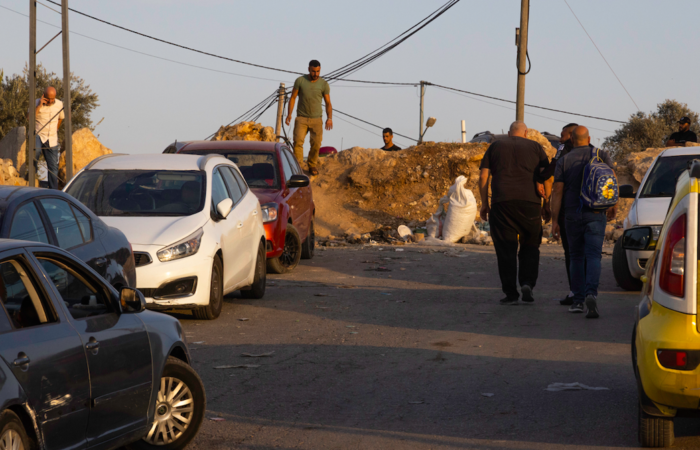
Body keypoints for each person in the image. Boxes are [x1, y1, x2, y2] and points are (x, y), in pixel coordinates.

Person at [479, 121, 550, 305]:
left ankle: (511, 294)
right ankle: (527, 283)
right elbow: (546, 176)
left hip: (502, 202)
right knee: (530, 245)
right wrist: (547, 203)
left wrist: (484, 204)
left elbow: (483, 176)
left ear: (510, 134)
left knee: (505, 250)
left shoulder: (495, 146)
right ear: (525, 133)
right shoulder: (536, 147)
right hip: (530, 203)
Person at [551, 126, 616, 318]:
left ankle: (578, 301)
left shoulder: (564, 160)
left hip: (572, 214)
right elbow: (613, 180)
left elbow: (557, 191)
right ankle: (591, 295)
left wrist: (554, 220)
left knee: (576, 256)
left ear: (571, 139)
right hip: (596, 212)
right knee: (594, 256)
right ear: (588, 138)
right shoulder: (601, 154)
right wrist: (613, 205)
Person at [540, 123, 579, 305]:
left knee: (571, 252)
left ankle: (574, 292)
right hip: (589, 209)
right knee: (589, 253)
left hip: (568, 207)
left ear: (571, 136)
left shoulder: (564, 149)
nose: (560, 139)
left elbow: (553, 173)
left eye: (562, 136)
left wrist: (537, 178)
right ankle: (589, 293)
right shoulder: (595, 153)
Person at [285, 60, 333, 176]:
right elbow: (293, 98)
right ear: (308, 69)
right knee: (298, 143)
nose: (316, 74)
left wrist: (329, 118)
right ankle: (298, 167)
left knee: (316, 143)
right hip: (301, 118)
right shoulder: (300, 81)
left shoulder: (323, 84)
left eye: (318, 71)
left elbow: (328, 102)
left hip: (317, 119)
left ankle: (312, 165)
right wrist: (289, 114)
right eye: (313, 71)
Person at [33, 86, 64, 189]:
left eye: (52, 99)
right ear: (43, 95)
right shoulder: (36, 102)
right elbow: (29, 118)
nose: (51, 101)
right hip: (38, 134)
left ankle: (53, 190)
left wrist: (56, 129)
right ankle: (32, 176)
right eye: (48, 98)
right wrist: (39, 106)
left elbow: (61, 118)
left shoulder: (59, 104)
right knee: (35, 152)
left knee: (53, 167)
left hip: (51, 137)